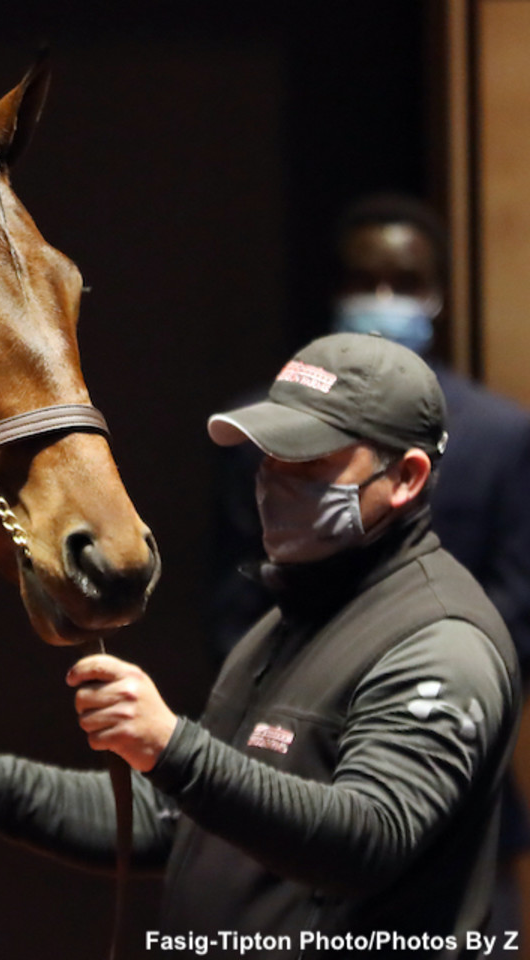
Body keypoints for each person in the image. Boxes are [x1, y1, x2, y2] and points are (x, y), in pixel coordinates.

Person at [0, 333, 521, 957]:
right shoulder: (290, 620)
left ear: (406, 478)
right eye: (269, 457)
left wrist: (171, 746)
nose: (274, 480)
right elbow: (179, 821)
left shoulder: (442, 642)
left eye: (308, 462)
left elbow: (370, 837)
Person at [210, 194, 530, 934]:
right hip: (275, 770)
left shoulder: (503, 436)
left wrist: (390, 686)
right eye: (366, 281)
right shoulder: (256, 424)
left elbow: (519, 607)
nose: (382, 300)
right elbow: (233, 602)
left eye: (403, 285)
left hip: (434, 738)